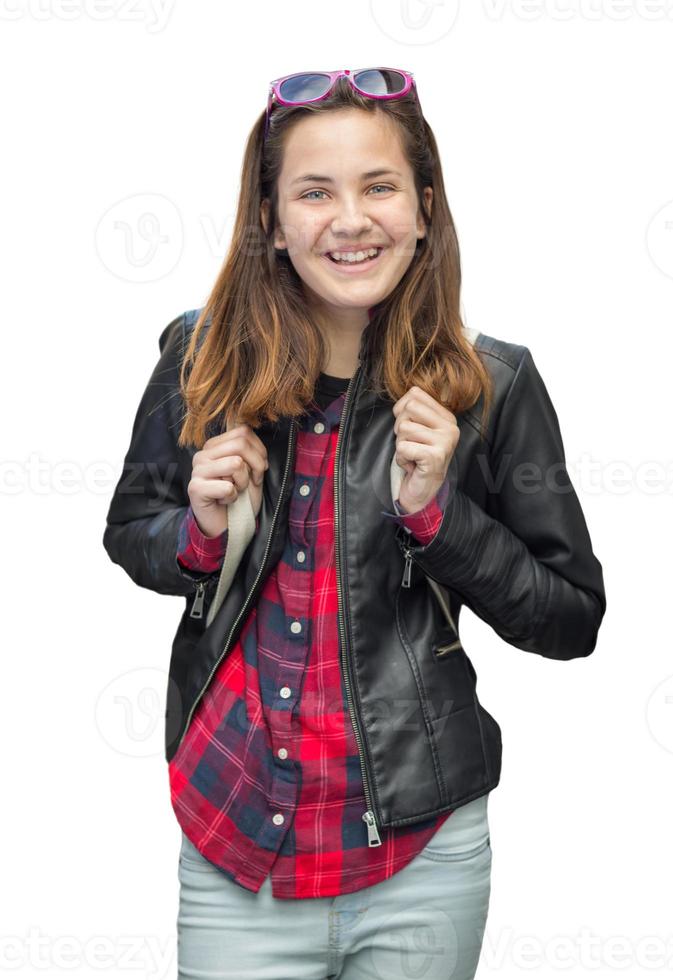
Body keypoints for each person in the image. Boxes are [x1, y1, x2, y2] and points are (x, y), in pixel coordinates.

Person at [103, 68, 607, 980]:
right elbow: (132, 529)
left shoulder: (495, 385)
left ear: (422, 206)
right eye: (313, 191)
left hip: (423, 860)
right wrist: (201, 532)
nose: (349, 220)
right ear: (270, 219)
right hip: (234, 844)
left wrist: (437, 517)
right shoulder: (200, 355)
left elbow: (571, 619)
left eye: (377, 187)